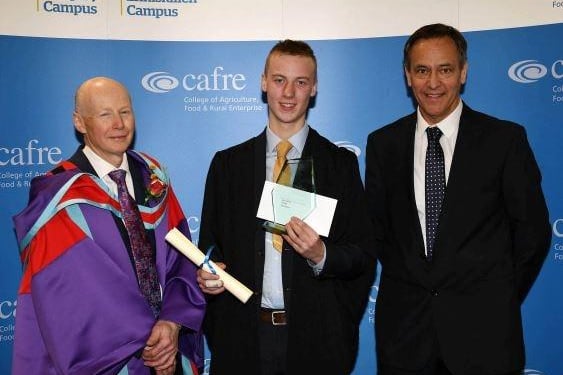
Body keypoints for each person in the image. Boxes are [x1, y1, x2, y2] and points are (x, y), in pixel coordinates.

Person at [365, 23, 551, 375]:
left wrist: (496, 301)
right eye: (422, 70)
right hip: (405, 341)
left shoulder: (504, 141)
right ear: (408, 76)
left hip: (486, 340)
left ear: (463, 73)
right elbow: (377, 234)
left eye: (445, 69)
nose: (433, 83)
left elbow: (533, 233)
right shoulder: (383, 145)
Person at [197, 40, 376, 374]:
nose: (289, 93)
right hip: (241, 343)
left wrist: (321, 253)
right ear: (264, 83)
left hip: (317, 345)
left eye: (301, 82)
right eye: (279, 80)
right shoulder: (228, 165)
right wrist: (208, 277)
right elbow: (209, 246)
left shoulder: (340, 166)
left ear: (315, 88)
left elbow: (363, 255)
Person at [12, 77, 206, 375]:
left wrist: (172, 324)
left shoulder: (153, 178)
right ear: (80, 122)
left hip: (168, 351)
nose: (119, 124)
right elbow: (70, 295)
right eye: (105, 115)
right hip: (109, 360)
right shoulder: (58, 195)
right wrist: (149, 338)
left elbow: (181, 259)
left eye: (125, 112)